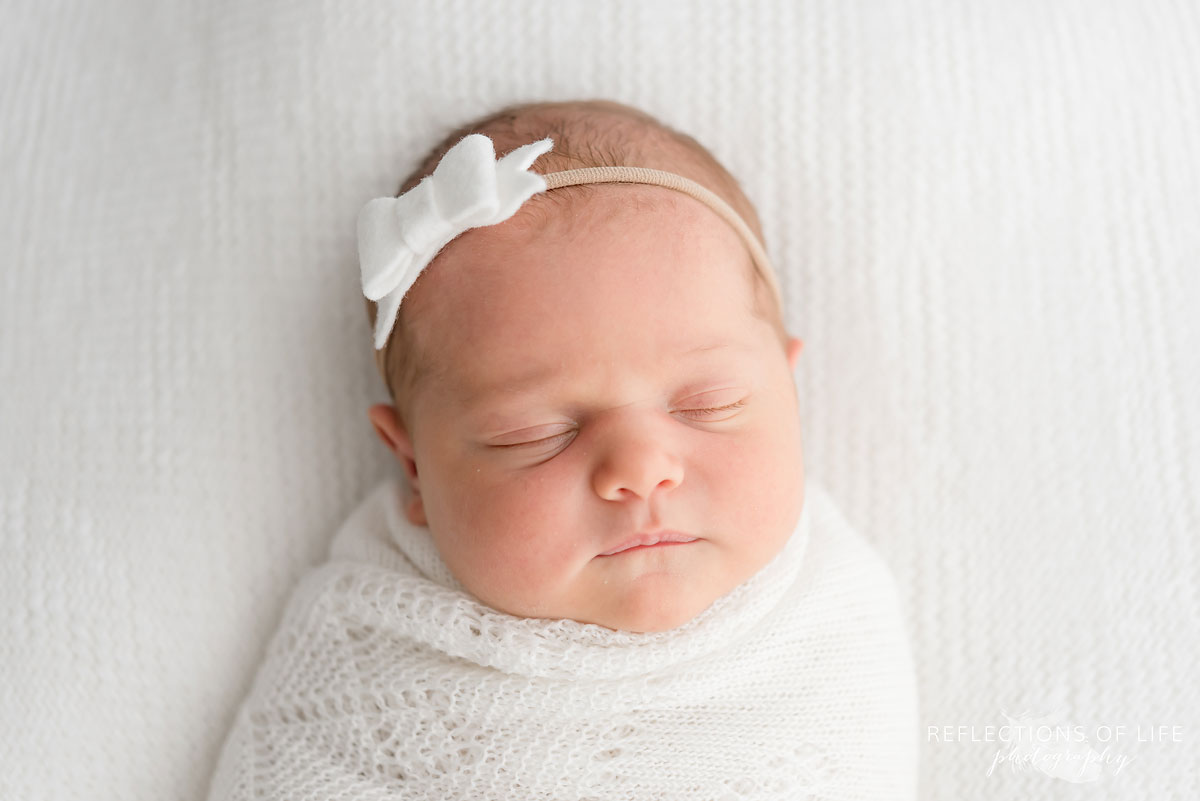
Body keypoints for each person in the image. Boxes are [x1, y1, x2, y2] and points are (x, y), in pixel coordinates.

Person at [206, 99, 919, 801]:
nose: (639, 469)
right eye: (536, 434)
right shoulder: (366, 662)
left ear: (789, 393)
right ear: (414, 464)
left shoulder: (829, 619)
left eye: (709, 404)